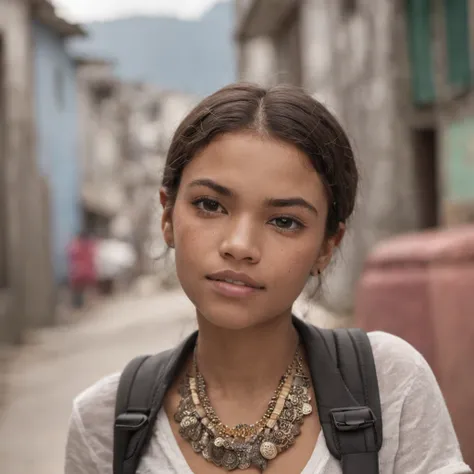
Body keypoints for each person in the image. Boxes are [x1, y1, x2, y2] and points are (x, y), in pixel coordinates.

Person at [64, 83, 471, 474]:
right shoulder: (105, 421)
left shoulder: (390, 385)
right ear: (167, 215)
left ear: (327, 245)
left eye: (284, 221)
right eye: (210, 205)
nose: (240, 245)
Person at [67, 230, 96, 309]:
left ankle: (78, 306)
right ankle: (87, 306)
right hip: (88, 273)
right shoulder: (90, 246)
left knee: (77, 291)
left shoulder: (75, 246)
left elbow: (70, 255)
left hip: (78, 272)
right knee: (87, 290)